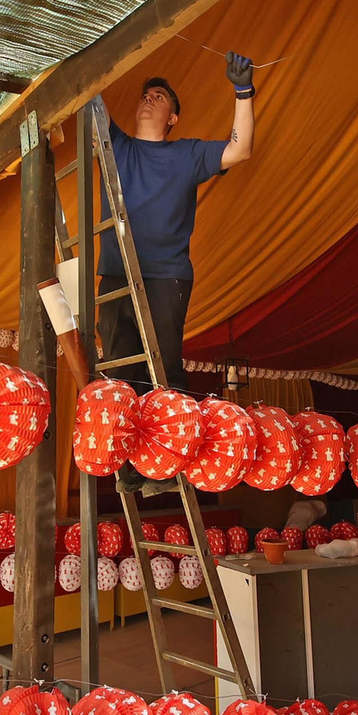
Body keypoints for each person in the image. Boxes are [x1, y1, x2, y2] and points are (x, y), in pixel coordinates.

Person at [101, 51, 257, 495]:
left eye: (159, 96)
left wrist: (243, 91)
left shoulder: (186, 153)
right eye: (145, 95)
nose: (148, 99)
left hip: (166, 275)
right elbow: (88, 96)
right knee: (119, 372)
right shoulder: (116, 144)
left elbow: (240, 149)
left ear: (172, 118)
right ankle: (131, 468)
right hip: (116, 273)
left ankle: (172, 464)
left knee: (163, 370)